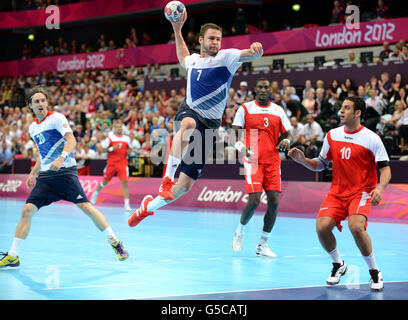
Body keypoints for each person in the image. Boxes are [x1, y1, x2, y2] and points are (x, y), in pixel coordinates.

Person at [128, 12, 263, 227]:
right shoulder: (193, 60)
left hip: (211, 125)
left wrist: (255, 52)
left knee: (185, 186)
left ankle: (148, 208)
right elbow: (183, 56)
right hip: (190, 111)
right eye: (211, 38)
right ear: (201, 40)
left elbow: (249, 55)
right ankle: (166, 180)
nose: (215, 42)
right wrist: (177, 30)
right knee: (188, 125)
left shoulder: (226, 58)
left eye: (218, 39)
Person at [0, 87, 128, 269]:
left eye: (43, 100)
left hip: (65, 173)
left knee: (86, 207)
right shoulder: (33, 128)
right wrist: (33, 172)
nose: (40, 104)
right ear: (30, 106)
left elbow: (72, 140)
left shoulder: (57, 118)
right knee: (27, 211)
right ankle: (13, 255)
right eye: (36, 102)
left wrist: (61, 158)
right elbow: (42, 154)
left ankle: (115, 241)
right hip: (46, 177)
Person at [288, 96, 391, 291]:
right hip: (337, 192)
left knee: (356, 227)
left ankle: (374, 271)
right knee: (321, 227)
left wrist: (380, 188)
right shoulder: (332, 135)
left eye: (346, 108)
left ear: (357, 112)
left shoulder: (371, 138)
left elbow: (385, 169)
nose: (341, 111)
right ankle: (338, 265)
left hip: (361, 192)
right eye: (341, 107)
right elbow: (320, 164)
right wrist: (303, 161)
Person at [231, 78, 291, 257]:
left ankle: (262, 245)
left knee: (273, 201)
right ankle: (240, 231)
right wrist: (242, 148)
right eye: (260, 87)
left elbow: (287, 132)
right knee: (255, 200)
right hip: (253, 160)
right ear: (255, 90)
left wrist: (286, 140)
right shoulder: (245, 109)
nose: (264, 89)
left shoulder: (278, 110)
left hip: (273, 161)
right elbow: (234, 134)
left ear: (270, 90)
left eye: (267, 87)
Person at [90, 120, 133, 211]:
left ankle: (127, 204)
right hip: (111, 164)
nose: (119, 128)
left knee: (124, 183)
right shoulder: (110, 138)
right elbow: (102, 149)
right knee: (104, 182)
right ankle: (95, 194)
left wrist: (130, 152)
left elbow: (129, 150)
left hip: (122, 164)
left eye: (120, 126)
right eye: (117, 127)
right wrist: (112, 148)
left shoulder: (127, 138)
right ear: (114, 128)